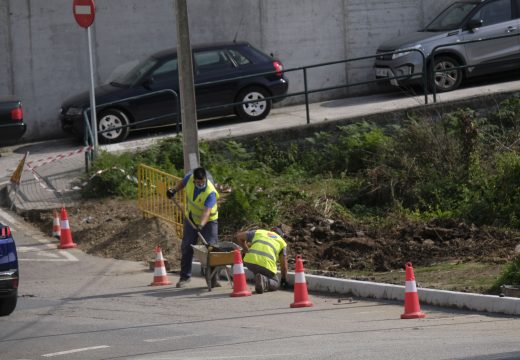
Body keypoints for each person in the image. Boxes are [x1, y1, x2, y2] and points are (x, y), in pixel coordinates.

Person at [166, 167, 219, 288]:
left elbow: (206, 212)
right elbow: (182, 183)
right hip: (191, 218)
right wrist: (173, 190)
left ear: (205, 179)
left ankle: (213, 279)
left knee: (211, 248)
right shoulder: (189, 178)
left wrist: (201, 225)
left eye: (203, 182)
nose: (201, 184)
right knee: (186, 246)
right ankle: (185, 277)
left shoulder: (210, 192)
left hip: (209, 221)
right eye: (198, 182)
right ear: (194, 180)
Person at [234, 227, 289, 294]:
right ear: (280, 235)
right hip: (266, 265)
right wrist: (284, 280)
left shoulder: (260, 232)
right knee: (276, 282)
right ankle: (264, 281)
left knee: (258, 270)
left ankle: (260, 281)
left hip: (250, 261)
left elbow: (239, 236)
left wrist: (246, 250)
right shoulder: (282, 242)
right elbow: (284, 266)